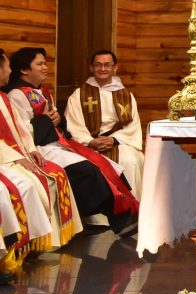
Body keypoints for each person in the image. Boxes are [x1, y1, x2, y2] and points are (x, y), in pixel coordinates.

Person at [4, 48, 138, 237]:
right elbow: (22, 132)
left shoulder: (41, 90)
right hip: (40, 148)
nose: (45, 68)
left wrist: (59, 119)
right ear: (25, 70)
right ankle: (117, 217)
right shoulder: (16, 95)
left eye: (45, 63)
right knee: (86, 169)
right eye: (40, 64)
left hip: (56, 143)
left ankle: (125, 212)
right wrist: (47, 121)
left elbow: (55, 122)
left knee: (107, 165)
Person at [0, 48, 76, 250]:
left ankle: (39, 241)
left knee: (53, 174)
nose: (10, 72)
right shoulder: (15, 94)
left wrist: (29, 149)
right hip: (6, 158)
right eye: (7, 68)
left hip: (18, 152)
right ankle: (17, 247)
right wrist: (16, 156)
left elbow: (20, 130)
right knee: (25, 185)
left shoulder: (3, 97)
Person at [64, 50, 144, 199]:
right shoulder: (79, 94)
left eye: (107, 65)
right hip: (88, 143)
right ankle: (99, 218)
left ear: (115, 68)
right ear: (91, 68)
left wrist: (114, 140)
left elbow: (132, 125)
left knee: (130, 160)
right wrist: (91, 141)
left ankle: (132, 209)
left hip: (119, 142)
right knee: (87, 165)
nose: (102, 69)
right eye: (98, 65)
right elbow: (73, 124)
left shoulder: (125, 95)